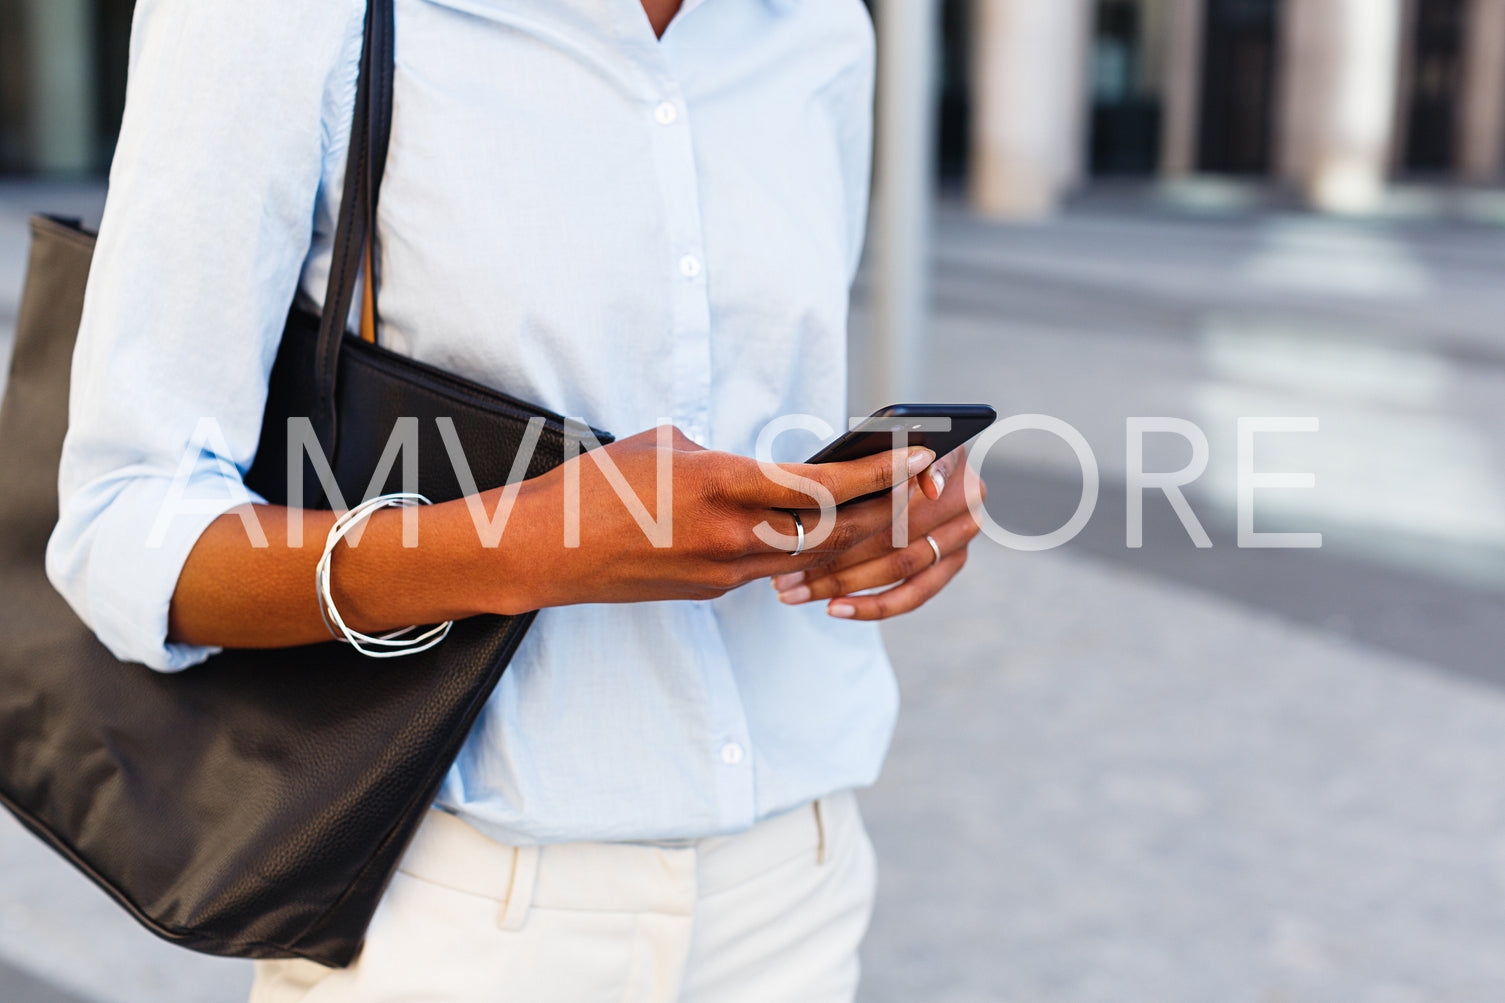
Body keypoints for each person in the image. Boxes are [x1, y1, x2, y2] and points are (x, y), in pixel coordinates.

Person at [46, 0, 985, 1000]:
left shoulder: (816, 27)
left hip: (790, 881)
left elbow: (757, 420)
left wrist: (860, 517)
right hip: (451, 898)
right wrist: (525, 548)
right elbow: (124, 529)